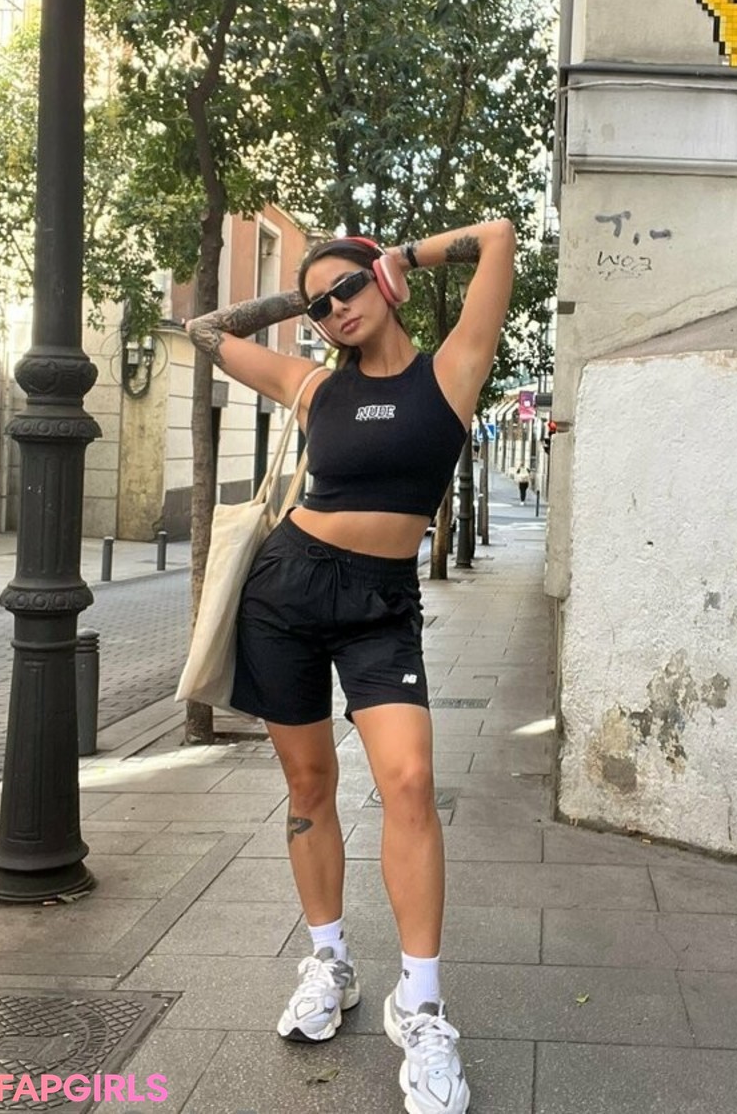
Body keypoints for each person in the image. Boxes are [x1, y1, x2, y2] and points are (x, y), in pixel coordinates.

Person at [186, 220, 515, 1114]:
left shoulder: (449, 372)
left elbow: (497, 237)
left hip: (380, 608)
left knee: (409, 780)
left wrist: (400, 258)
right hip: (285, 595)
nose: (334, 309)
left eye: (347, 289)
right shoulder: (313, 387)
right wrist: (296, 299)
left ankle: (423, 1002)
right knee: (309, 785)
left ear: (383, 282)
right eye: (319, 305)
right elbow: (206, 330)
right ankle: (329, 961)